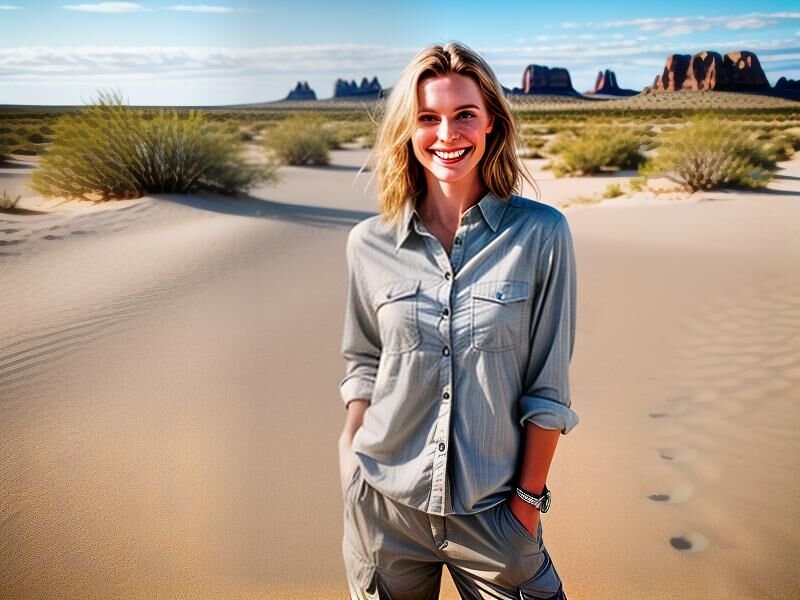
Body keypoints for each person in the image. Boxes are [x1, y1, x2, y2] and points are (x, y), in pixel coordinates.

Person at [337, 41, 579, 600]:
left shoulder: (541, 235)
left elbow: (549, 388)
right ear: (408, 129)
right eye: (428, 118)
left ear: (490, 120)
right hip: (383, 512)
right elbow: (364, 362)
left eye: (464, 114)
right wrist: (350, 462)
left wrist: (526, 506)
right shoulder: (369, 243)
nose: (448, 134)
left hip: (495, 519)